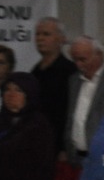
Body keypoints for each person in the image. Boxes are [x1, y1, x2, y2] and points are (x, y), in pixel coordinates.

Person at [0, 74, 56, 180]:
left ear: (29, 95)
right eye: (7, 89)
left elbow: (42, 167)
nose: (11, 94)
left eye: (18, 90)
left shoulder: (38, 124)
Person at [66, 37, 104, 164]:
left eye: (83, 59)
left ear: (99, 55)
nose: (78, 65)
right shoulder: (74, 80)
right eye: (75, 60)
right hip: (77, 157)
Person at [29, 17, 75, 152]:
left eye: (46, 34)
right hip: (36, 141)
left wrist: (64, 148)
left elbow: (70, 113)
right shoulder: (35, 71)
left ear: (61, 39)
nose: (40, 38)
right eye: (37, 34)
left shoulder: (70, 72)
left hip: (58, 144)